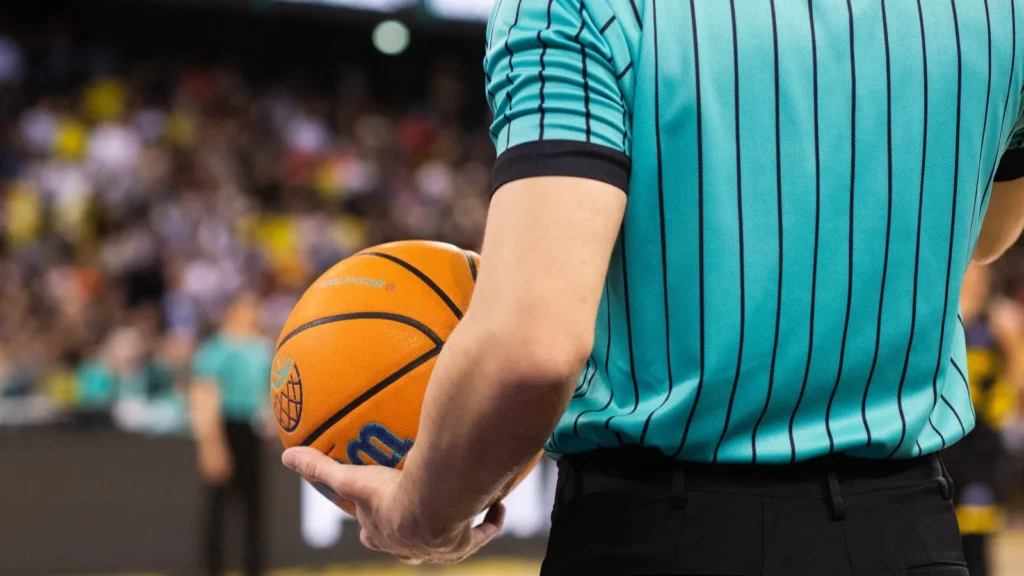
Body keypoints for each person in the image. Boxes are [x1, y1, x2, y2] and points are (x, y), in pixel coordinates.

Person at [282, 1, 1024, 574]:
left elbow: (533, 348)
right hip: (906, 531)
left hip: (658, 531)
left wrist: (423, 510)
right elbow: (987, 232)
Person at [945, 263, 1023, 576]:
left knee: (976, 540)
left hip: (984, 445)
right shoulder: (948, 322)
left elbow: (1017, 379)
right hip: (950, 443)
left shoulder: (998, 322)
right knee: (947, 534)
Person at [190, 293, 273, 576]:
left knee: (254, 509)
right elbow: (204, 396)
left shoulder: (262, 348)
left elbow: (268, 391)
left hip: (253, 430)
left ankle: (254, 568)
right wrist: (211, 445)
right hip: (226, 427)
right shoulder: (216, 349)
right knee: (218, 509)